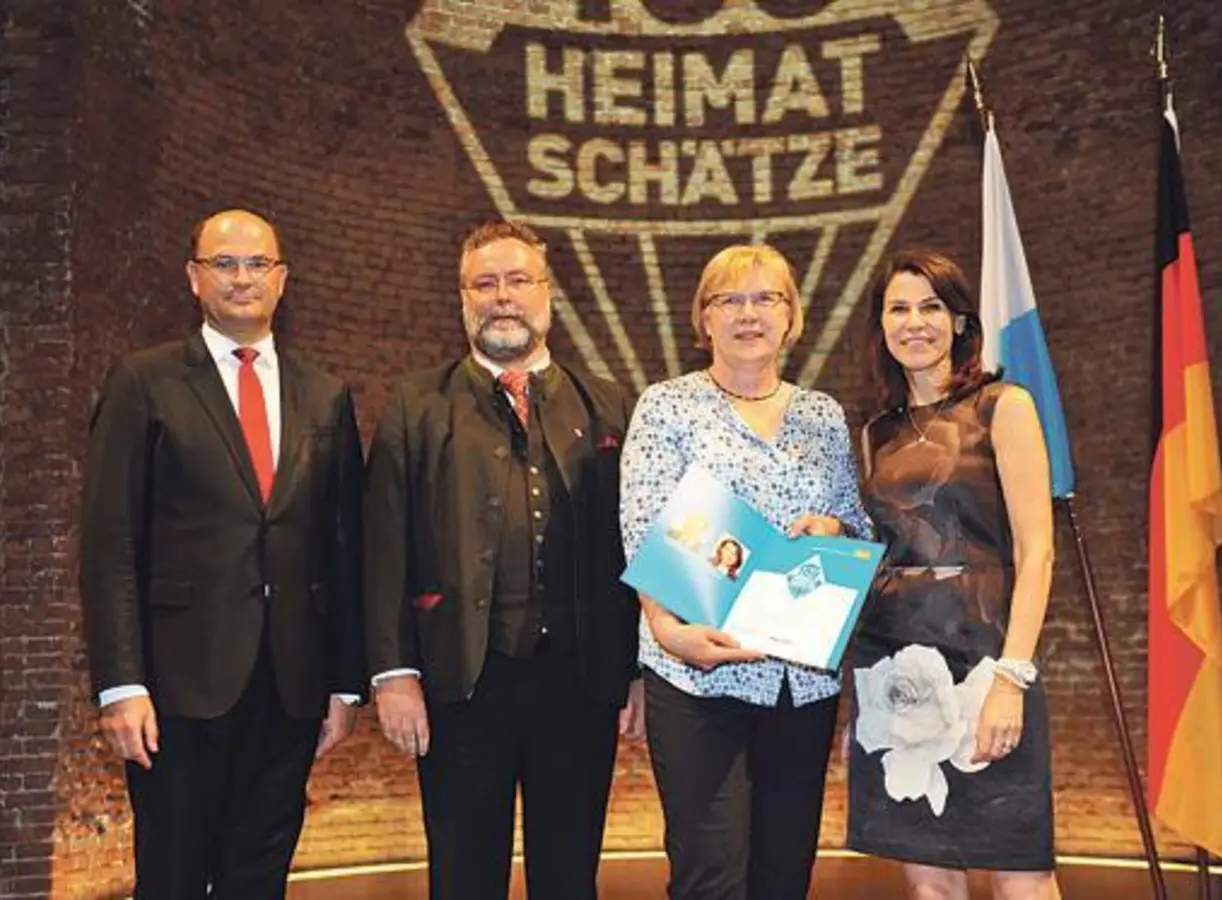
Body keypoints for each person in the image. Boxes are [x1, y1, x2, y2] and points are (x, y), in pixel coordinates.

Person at [79, 209, 366, 899]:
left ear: (283, 278)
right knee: (172, 878)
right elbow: (109, 539)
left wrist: (344, 681)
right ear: (194, 277)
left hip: (290, 686)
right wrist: (122, 683)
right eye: (225, 264)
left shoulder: (326, 396)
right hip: (176, 687)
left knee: (259, 879)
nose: (242, 279)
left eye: (257, 264)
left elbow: (345, 546)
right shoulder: (143, 382)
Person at [362, 219, 645, 900]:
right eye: (484, 283)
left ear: (547, 292)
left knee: (570, 876)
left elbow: (637, 545)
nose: (502, 296)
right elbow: (382, 547)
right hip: (461, 679)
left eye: (518, 280)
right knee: (462, 877)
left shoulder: (609, 404)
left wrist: (636, 669)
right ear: (462, 298)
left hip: (579, 683)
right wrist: (393, 674)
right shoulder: (414, 405)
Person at [619, 243, 872, 900]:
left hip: (801, 682)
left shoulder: (823, 416)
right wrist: (666, 631)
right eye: (729, 299)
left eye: (767, 298)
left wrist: (834, 531)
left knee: (785, 874)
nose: (748, 313)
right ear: (703, 319)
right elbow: (643, 529)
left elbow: (856, 528)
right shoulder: (666, 407)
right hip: (698, 671)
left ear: (792, 317)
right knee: (711, 877)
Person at [843, 249, 1062, 899]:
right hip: (894, 671)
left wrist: (1010, 679)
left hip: (986, 664)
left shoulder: (1005, 405)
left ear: (961, 321)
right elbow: (881, 547)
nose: (915, 322)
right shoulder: (874, 433)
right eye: (898, 308)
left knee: (1023, 877)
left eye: (931, 307)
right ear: (880, 326)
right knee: (931, 883)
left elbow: (1039, 551)